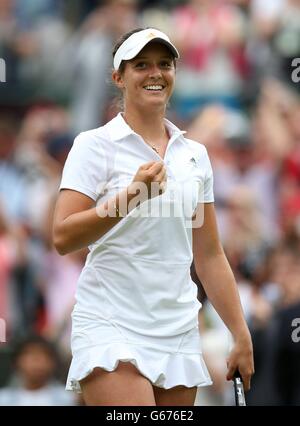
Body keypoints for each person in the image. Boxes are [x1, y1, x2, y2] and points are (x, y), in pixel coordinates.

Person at [52, 27, 254, 406]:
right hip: (109, 322)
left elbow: (209, 255)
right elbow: (63, 237)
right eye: (141, 65)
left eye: (164, 64)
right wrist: (131, 196)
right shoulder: (92, 146)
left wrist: (240, 333)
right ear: (118, 77)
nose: (155, 73)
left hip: (177, 328)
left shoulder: (194, 155)